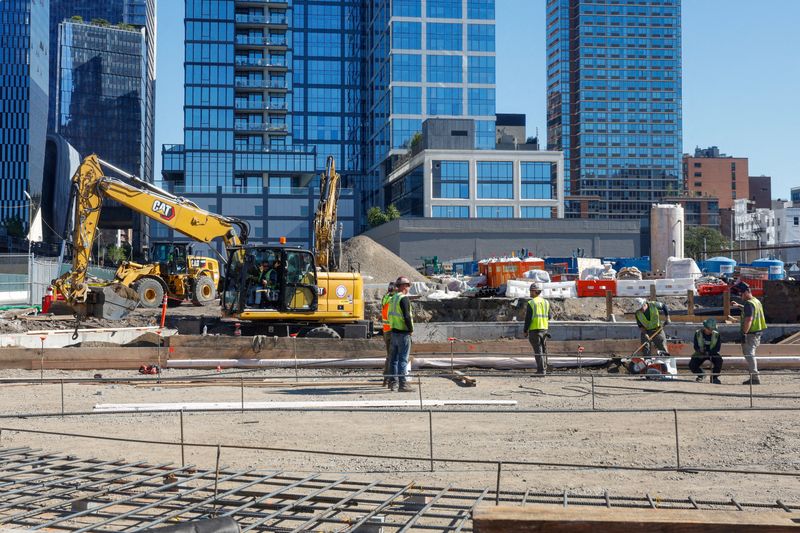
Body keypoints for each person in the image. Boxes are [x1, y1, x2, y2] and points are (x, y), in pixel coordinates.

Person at [732, 282, 766, 385]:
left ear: (747, 292)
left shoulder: (749, 304)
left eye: (741, 293)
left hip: (751, 334)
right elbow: (749, 311)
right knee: (750, 354)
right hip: (757, 332)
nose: (740, 295)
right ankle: (754, 376)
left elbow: (748, 319)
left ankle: (755, 377)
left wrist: (744, 333)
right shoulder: (755, 301)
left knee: (749, 354)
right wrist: (739, 306)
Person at [387, 276, 414, 392]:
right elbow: (407, 316)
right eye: (407, 286)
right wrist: (410, 329)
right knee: (403, 359)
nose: (408, 288)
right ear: (403, 286)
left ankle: (392, 383)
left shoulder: (392, 298)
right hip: (403, 333)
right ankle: (403, 385)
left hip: (394, 332)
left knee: (393, 359)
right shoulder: (403, 299)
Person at [523, 282, 551, 375]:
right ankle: (545, 368)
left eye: (531, 291)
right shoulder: (546, 302)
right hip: (544, 329)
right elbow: (549, 316)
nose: (530, 293)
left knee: (538, 350)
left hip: (535, 330)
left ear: (535, 291)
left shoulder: (531, 303)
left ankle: (541, 371)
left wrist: (525, 330)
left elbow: (528, 318)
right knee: (543, 349)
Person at [689, 318, 722, 384]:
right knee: (692, 364)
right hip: (701, 353)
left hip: (712, 353)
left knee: (719, 360)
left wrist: (709, 352)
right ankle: (701, 374)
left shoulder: (716, 335)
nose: (711, 331)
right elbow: (695, 346)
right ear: (705, 327)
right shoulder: (698, 333)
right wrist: (699, 350)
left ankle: (714, 377)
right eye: (709, 329)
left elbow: (717, 348)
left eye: (712, 329)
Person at [381, 282, 395, 387]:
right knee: (394, 356)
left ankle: (386, 378)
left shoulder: (385, 298)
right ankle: (391, 379)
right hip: (393, 330)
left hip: (386, 330)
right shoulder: (393, 300)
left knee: (389, 356)